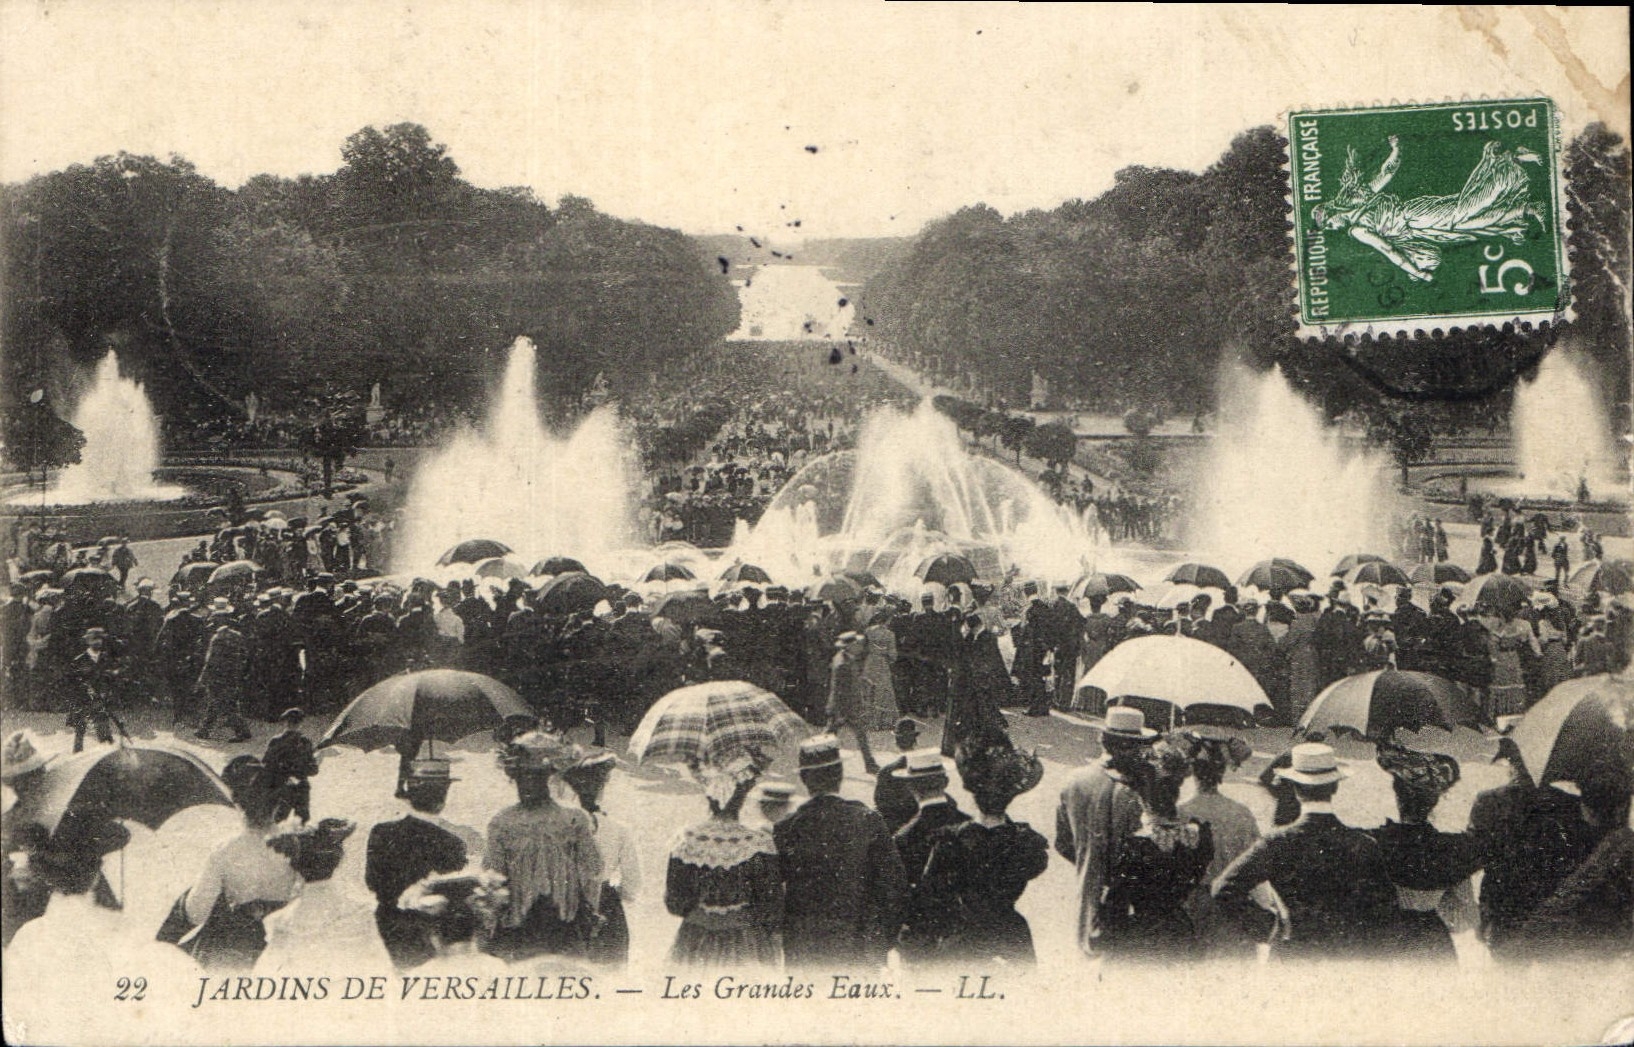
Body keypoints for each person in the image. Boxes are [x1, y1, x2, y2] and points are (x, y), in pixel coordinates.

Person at [1213, 743, 1402, 958]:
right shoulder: (1363, 844)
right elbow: (1386, 910)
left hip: (1291, 953)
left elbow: (1223, 889)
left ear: (1293, 788)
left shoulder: (1277, 842)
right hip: (1345, 957)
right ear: (1335, 787)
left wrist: (1268, 925)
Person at [904, 738, 1048, 964]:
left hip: (962, 937)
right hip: (1010, 936)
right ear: (1010, 798)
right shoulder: (1024, 843)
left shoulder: (951, 840)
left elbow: (928, 895)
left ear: (973, 794)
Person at [774, 734, 907, 969]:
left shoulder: (786, 827)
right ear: (840, 774)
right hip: (860, 949)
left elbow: (772, 893)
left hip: (805, 952)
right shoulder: (867, 820)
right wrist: (883, 941)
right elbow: (894, 884)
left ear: (804, 778)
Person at [481, 731, 602, 962]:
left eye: (535, 777)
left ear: (548, 777)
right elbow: (492, 878)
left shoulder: (574, 819)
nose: (527, 783)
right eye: (520, 777)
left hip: (564, 925)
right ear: (512, 777)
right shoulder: (501, 822)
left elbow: (592, 872)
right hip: (519, 928)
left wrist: (589, 915)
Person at [170, 756, 300, 969]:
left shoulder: (224, 851)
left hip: (235, 947)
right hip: (279, 940)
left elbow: (196, 913)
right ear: (278, 805)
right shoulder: (296, 845)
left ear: (238, 805)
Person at [665, 752, 783, 967]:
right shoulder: (758, 844)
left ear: (708, 793)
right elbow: (770, 905)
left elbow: (675, 903)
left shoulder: (687, 840)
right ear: (743, 794)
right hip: (745, 940)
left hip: (695, 938)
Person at [1100, 742, 1215, 961]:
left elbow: (1116, 907)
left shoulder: (1138, 846)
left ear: (1141, 796)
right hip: (1180, 932)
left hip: (1142, 937)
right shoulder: (1197, 836)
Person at [1055, 706, 1152, 957]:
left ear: (1103, 740)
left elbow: (1063, 843)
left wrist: (1089, 858)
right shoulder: (1137, 791)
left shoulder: (1073, 780)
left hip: (1085, 892)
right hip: (1123, 902)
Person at [1370, 744, 1481, 962]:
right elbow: (1465, 918)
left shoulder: (1374, 841)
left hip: (1387, 937)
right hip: (1433, 937)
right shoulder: (1450, 848)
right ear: (1434, 800)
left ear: (1397, 796)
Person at [365, 756, 473, 969]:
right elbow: (452, 897)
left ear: (410, 794)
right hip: (431, 933)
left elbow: (372, 882)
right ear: (444, 795)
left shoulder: (381, 832)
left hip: (387, 925)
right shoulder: (452, 843)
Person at [257, 818, 391, 972]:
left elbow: (263, 975)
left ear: (295, 865)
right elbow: (383, 969)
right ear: (339, 858)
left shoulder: (281, 922)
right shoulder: (361, 912)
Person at [1175, 730, 1260, 955]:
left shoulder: (1180, 813)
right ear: (1222, 771)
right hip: (1231, 902)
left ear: (1193, 771)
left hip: (1190, 903)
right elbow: (1255, 864)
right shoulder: (1242, 814)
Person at [890, 749, 971, 964]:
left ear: (911, 787)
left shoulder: (904, 837)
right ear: (945, 781)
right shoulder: (970, 825)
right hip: (968, 939)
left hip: (922, 941)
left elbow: (897, 895)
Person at [563, 749, 639, 967]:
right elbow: (633, 882)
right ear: (602, 788)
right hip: (606, 905)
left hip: (568, 902)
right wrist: (617, 891)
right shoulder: (618, 829)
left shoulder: (561, 825)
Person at [195, 602, 253, 743]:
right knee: (217, 703)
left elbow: (211, 661)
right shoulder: (237, 635)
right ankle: (204, 730)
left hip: (218, 676)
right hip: (233, 675)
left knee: (224, 704)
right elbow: (245, 655)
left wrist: (201, 678)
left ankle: (242, 731)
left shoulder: (217, 638)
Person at [826, 631, 880, 773]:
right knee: (854, 735)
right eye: (856, 644)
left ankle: (819, 759)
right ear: (849, 646)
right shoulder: (843, 663)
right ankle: (870, 764)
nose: (859, 646)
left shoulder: (844, 658)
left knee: (830, 735)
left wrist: (863, 680)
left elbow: (851, 678)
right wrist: (841, 712)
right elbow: (841, 689)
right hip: (845, 706)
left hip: (843, 706)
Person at [262, 708, 319, 825]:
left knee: (277, 822)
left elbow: (266, 765)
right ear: (301, 723)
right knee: (301, 822)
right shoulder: (305, 742)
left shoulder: (276, 741)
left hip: (281, 787)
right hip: (301, 787)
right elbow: (313, 770)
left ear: (285, 722)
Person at [68, 627, 120, 752]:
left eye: (100, 639)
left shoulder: (106, 658)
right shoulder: (79, 660)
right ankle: (78, 753)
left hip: (101, 698)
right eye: (94, 639)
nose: (98, 642)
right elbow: (72, 681)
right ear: (88, 641)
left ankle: (107, 751)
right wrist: (85, 689)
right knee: (80, 729)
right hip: (83, 699)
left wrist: (107, 692)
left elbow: (111, 679)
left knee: (103, 727)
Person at [873, 716, 926, 833]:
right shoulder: (926, 768)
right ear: (915, 740)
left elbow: (880, 804)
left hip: (894, 826)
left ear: (896, 741)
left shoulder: (885, 772)